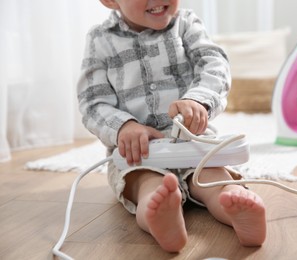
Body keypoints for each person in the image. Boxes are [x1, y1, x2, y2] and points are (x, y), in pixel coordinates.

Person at [77, 0, 266, 252]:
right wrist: (123, 126)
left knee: (212, 178)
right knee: (146, 184)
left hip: (193, 141)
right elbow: (93, 100)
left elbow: (215, 65)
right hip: (140, 153)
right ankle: (159, 216)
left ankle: (235, 207)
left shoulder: (186, 23)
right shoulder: (99, 39)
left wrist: (197, 99)